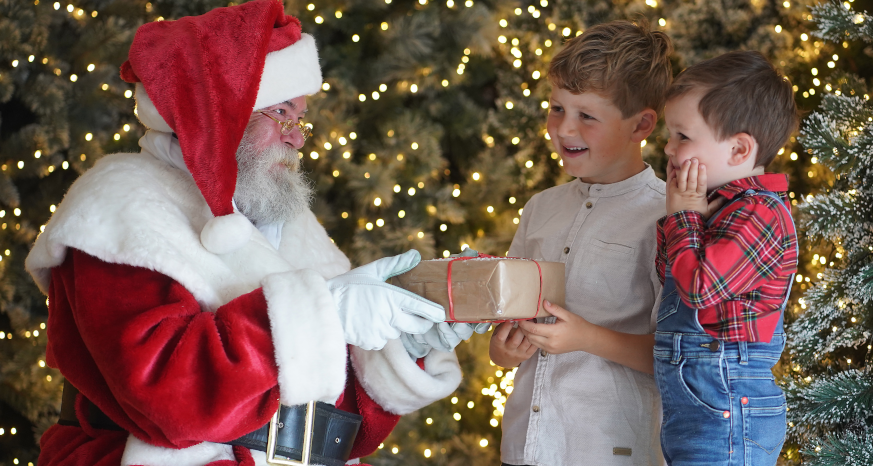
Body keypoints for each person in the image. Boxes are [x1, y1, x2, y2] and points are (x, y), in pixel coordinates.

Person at [25, 1, 474, 465]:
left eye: (299, 118)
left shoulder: (287, 224)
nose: (297, 136)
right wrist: (328, 312)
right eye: (281, 111)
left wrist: (402, 344)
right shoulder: (121, 205)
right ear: (221, 114)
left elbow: (333, 426)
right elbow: (168, 402)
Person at [489, 20, 673, 466]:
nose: (563, 129)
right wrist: (503, 350)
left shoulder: (669, 217)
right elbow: (503, 328)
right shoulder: (539, 208)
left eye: (586, 116)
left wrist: (586, 337)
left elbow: (676, 356)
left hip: (608, 450)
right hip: (523, 448)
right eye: (556, 108)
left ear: (641, 124)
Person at [654, 50, 798, 466]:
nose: (668, 146)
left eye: (682, 136)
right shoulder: (715, 207)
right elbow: (671, 277)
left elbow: (700, 288)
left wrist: (684, 217)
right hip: (695, 399)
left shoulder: (761, 213)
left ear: (738, 150)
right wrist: (683, 215)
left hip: (729, 401)